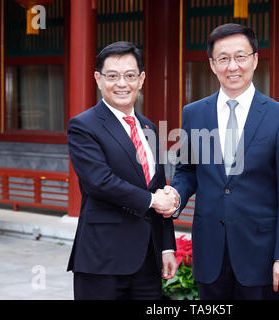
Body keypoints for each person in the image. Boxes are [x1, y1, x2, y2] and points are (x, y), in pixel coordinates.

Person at [161, 24, 279, 300]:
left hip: (260, 254)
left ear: (255, 59)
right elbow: (187, 170)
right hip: (210, 251)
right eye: (224, 58)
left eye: (241, 56)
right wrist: (176, 195)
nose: (233, 66)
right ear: (213, 65)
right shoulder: (194, 113)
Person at [67, 41, 179, 300]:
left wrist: (166, 248)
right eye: (112, 76)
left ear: (141, 79)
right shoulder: (84, 126)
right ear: (98, 79)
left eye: (130, 76)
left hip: (148, 262)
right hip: (103, 260)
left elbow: (159, 187)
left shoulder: (149, 127)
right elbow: (99, 181)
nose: (122, 83)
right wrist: (152, 200)